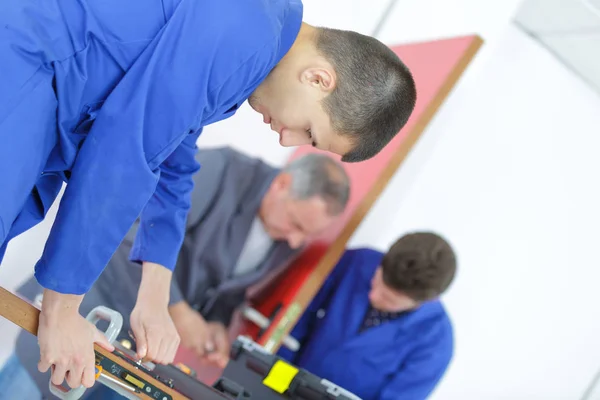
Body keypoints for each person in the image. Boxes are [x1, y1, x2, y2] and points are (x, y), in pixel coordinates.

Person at [0, 0, 416, 389]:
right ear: (318, 78)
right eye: (309, 131)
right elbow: (127, 150)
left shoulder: (259, 36)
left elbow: (174, 160)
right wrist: (62, 310)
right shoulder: (243, 30)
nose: (288, 140)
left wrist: (156, 296)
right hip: (26, 66)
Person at [0, 147, 351, 399]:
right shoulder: (223, 169)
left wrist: (215, 324)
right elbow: (132, 236)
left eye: (306, 234)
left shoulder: (287, 239)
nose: (295, 239)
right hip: (89, 305)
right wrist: (180, 314)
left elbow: (229, 289)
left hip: (138, 355)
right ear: (281, 185)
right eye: (296, 224)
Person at [277, 232, 457, 400]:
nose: (374, 296)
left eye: (389, 299)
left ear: (427, 301)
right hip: (285, 383)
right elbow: (293, 321)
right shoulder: (355, 262)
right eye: (376, 281)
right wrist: (275, 386)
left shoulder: (435, 344)